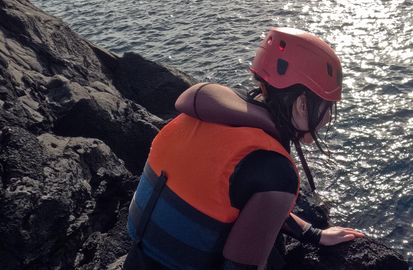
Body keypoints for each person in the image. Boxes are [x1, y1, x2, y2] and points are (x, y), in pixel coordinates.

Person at [124, 27, 364, 270]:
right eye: (327, 107)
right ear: (302, 104)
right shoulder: (276, 171)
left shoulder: (212, 116)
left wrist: (314, 234)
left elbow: (241, 195)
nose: (327, 119)